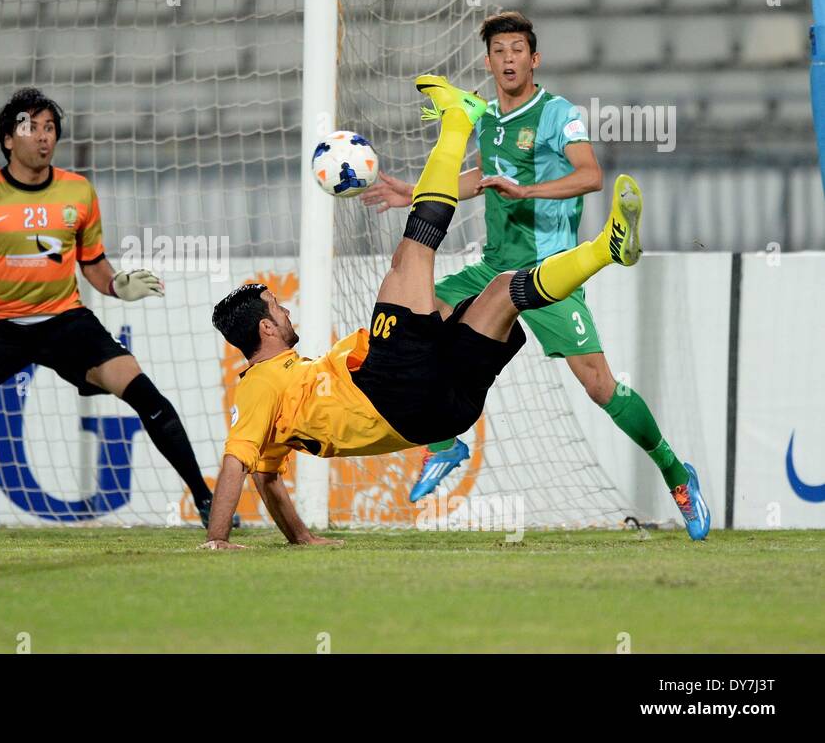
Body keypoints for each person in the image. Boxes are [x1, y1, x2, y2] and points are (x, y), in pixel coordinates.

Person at [200, 74, 707, 547]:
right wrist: (216, 540)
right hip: (389, 389)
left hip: (442, 411)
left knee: (505, 291)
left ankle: (604, 249)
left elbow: (265, 477)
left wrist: (302, 540)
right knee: (409, 257)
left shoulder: (284, 389)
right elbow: (235, 463)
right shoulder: (261, 384)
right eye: (277, 308)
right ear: (265, 327)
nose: (287, 310)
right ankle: (458, 121)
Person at [362, 11, 708, 540]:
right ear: (488, 61)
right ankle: (444, 441)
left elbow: (591, 175)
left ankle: (677, 475)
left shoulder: (557, 113)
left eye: (517, 49)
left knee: (600, 387)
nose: (508, 58)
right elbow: (483, 177)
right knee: (415, 314)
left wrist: (529, 192)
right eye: (499, 50)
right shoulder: (487, 120)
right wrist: (414, 191)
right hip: (494, 268)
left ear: (534, 59)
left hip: (547, 271)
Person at [0, 87, 236, 536]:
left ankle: (205, 498)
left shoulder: (78, 191)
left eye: (49, 128)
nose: (42, 137)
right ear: (7, 140)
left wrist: (116, 285)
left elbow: (93, 264)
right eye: (30, 127)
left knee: (145, 394)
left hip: (66, 323)